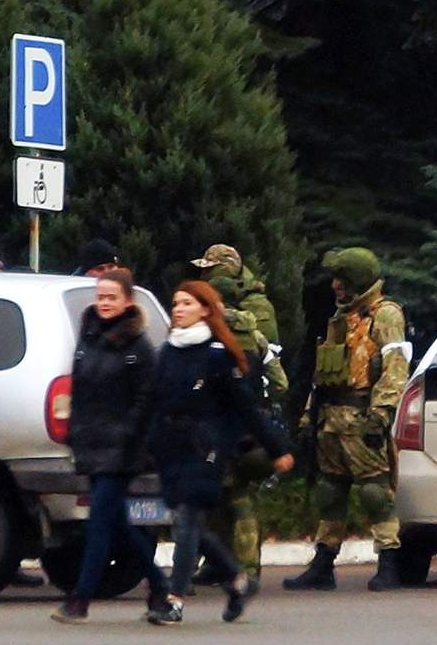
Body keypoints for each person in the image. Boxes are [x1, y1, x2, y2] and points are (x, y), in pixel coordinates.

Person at [145, 280, 295, 624]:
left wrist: (277, 448)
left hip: (205, 450)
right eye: (176, 303)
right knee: (193, 525)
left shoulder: (217, 356)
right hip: (171, 448)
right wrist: (147, 443)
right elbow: (153, 404)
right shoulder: (167, 352)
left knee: (185, 520)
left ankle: (174, 601)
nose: (178, 309)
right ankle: (239, 582)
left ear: (205, 310)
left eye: (186, 303)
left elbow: (247, 409)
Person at [52, 269, 177, 625]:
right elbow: (80, 390)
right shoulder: (89, 338)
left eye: (112, 297)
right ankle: (160, 586)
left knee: (98, 525)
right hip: (91, 444)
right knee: (119, 522)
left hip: (123, 450)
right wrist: (75, 431)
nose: (104, 303)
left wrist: (128, 436)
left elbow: (146, 401)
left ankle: (80, 600)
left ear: (127, 302)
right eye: (101, 296)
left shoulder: (139, 347)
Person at [284, 248, 409, 592]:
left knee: (374, 493)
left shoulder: (384, 315)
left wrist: (381, 414)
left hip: (361, 418)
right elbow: (323, 374)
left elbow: (395, 368)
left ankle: (389, 561)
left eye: (343, 279)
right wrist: (310, 415)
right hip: (331, 419)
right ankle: (323, 564)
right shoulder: (341, 317)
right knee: (329, 492)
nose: (336, 285)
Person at [190, 244, 290, 587]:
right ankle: (240, 566)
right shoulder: (254, 331)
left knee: (221, 495)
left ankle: (226, 565)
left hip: (215, 426)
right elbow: (279, 381)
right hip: (248, 423)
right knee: (236, 495)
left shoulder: (207, 332)